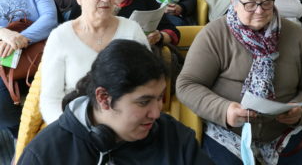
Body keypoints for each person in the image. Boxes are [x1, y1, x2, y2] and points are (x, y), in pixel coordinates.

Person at [176, 0, 302, 165]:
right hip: (229, 132)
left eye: (266, 2)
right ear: (234, 3)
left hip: (284, 132)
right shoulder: (214, 34)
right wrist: (225, 110)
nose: (260, 11)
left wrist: (299, 111)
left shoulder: (295, 34)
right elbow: (186, 85)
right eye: (250, 4)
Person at [19, 39, 213, 164]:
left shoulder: (175, 137)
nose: (156, 113)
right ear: (104, 98)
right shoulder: (45, 155)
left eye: (159, 98)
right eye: (143, 102)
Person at [40, 0, 150, 124]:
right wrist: (69, 130)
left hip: (128, 122)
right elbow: (50, 100)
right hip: (77, 124)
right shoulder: (60, 37)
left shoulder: (131, 30)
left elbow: (147, 83)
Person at [0, 0, 57, 139]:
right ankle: (22, 136)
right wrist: (3, 33)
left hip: (38, 49)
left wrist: (22, 38)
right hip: (3, 57)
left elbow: (50, 18)